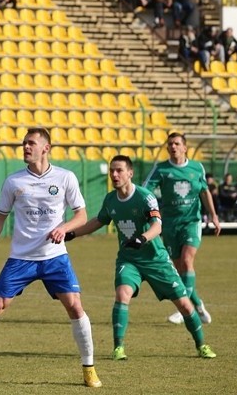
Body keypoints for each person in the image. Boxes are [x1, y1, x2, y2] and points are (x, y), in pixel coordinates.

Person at [0, 128, 101, 389]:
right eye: (24, 143)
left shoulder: (65, 178)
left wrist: (64, 228)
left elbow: (82, 216)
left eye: (31, 143)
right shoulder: (14, 182)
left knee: (75, 306)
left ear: (46, 148)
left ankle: (89, 368)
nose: (26, 147)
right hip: (21, 258)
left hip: (54, 258)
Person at [67, 155, 217, 360]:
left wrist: (143, 238)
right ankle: (118, 348)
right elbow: (99, 221)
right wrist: (73, 233)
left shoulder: (144, 196)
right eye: (112, 170)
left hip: (156, 260)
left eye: (119, 170)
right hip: (129, 260)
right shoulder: (111, 199)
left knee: (184, 304)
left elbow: (157, 224)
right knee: (122, 295)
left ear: (130, 173)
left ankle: (202, 345)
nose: (114, 174)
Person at [143, 133, 221, 326]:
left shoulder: (197, 167)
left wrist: (214, 215)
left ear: (185, 148)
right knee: (179, 270)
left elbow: (204, 192)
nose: (173, 146)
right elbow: (146, 190)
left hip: (191, 222)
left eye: (177, 143)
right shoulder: (161, 169)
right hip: (169, 225)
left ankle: (184, 309)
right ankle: (198, 305)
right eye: (170, 144)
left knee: (187, 261)